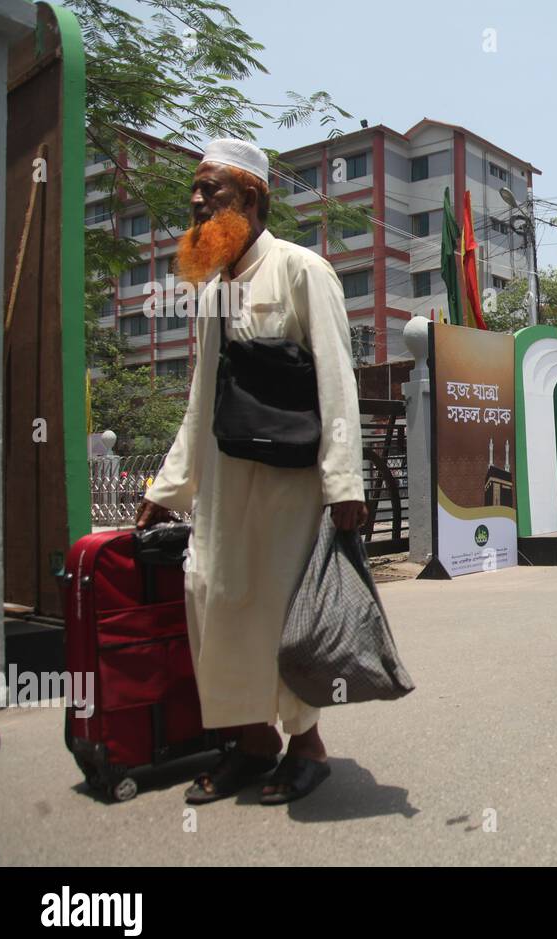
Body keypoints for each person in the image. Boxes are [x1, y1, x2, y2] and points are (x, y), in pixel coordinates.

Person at [135, 138, 367, 805]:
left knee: (280, 613)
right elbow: (200, 396)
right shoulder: (210, 286)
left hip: (290, 483)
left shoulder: (303, 271)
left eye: (213, 189)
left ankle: (306, 747)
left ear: (253, 199)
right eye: (196, 190)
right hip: (223, 484)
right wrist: (169, 489)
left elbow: (336, 382)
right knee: (213, 599)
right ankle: (252, 742)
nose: (199, 200)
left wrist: (343, 484)